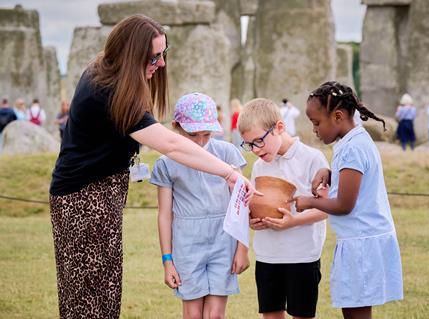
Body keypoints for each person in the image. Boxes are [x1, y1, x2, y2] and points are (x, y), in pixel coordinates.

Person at [49, 15, 257, 319]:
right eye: (153, 57)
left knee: (103, 290)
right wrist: (227, 171)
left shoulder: (107, 73)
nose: (160, 64)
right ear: (130, 55)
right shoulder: (107, 91)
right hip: (84, 202)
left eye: (163, 54)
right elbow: (172, 145)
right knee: (89, 297)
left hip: (98, 198)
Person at [293, 81, 403, 319]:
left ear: (338, 116)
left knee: (356, 312)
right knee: (353, 307)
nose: (314, 130)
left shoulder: (353, 148)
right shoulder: (353, 142)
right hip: (360, 239)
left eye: (316, 123)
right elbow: (355, 179)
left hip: (362, 242)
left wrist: (308, 202)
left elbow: (344, 205)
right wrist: (331, 174)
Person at [151, 92, 249, 319]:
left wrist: (242, 248)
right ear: (176, 127)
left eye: (207, 134)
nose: (201, 141)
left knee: (215, 315)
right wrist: (167, 261)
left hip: (222, 241)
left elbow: (241, 204)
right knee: (193, 314)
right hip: (186, 244)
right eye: (194, 135)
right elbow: (165, 215)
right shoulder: (166, 163)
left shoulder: (226, 153)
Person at [238, 98, 329, 319]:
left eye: (259, 141)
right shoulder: (259, 166)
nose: (255, 150)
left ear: (279, 127)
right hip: (268, 256)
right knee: (270, 314)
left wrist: (293, 221)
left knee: (302, 314)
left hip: (303, 255)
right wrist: (253, 221)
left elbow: (327, 208)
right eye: (249, 145)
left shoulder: (312, 159)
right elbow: (254, 204)